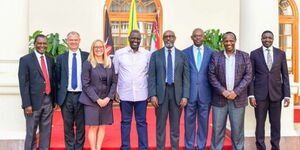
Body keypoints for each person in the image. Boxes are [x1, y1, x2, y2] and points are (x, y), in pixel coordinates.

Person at [208, 32, 252, 150]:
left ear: (235, 41)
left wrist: (235, 92)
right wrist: (223, 91)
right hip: (219, 100)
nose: (228, 43)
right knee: (217, 131)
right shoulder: (216, 56)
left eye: (231, 41)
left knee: (237, 131)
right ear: (223, 42)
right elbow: (211, 76)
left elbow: (248, 76)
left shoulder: (244, 56)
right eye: (226, 41)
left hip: (238, 99)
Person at [148, 30, 190, 150]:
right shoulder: (156, 55)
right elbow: (152, 76)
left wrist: (185, 96)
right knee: (160, 127)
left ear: (175, 38)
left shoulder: (182, 55)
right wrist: (153, 94)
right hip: (161, 94)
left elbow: (186, 77)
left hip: (177, 94)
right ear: (163, 39)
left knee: (175, 127)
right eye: (166, 37)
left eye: (171, 36)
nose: (168, 39)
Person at [248, 30, 290, 150]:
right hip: (259, 96)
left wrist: (287, 95)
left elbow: (285, 75)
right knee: (260, 125)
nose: (267, 40)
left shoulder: (281, 54)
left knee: (276, 125)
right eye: (265, 38)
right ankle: (260, 147)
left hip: (276, 95)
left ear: (273, 39)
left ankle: (275, 147)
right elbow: (251, 76)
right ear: (261, 39)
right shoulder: (254, 54)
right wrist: (251, 95)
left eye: (270, 38)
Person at [113, 30, 150, 150]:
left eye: (138, 39)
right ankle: (125, 147)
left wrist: (150, 92)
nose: (135, 41)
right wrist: (115, 91)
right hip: (125, 94)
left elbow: (150, 74)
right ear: (129, 38)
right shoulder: (119, 53)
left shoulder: (147, 54)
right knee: (125, 122)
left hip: (142, 94)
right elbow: (115, 74)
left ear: (141, 40)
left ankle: (143, 147)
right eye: (133, 38)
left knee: (141, 122)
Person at [18, 34, 55, 150]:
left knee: (46, 132)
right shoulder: (26, 60)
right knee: (31, 133)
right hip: (32, 103)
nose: (42, 46)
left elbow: (51, 79)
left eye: (44, 43)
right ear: (34, 44)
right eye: (39, 43)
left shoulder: (50, 59)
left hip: (48, 100)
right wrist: (26, 104)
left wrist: (54, 101)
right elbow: (24, 84)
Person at [79, 40, 116, 150]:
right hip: (91, 101)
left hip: (106, 100)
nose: (98, 49)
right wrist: (97, 99)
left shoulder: (109, 63)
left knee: (102, 126)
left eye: (100, 47)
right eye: (96, 47)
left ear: (104, 49)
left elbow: (114, 81)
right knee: (93, 126)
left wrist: (109, 97)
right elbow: (85, 84)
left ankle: (98, 148)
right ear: (92, 49)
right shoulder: (87, 63)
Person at [56, 31, 89, 150]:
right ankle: (70, 148)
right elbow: (57, 78)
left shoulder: (87, 56)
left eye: (76, 40)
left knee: (81, 125)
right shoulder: (61, 58)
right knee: (67, 126)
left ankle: (79, 148)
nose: (73, 42)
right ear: (67, 41)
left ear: (79, 41)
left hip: (82, 96)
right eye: (71, 40)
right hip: (66, 96)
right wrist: (57, 98)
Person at [182, 28, 214, 150]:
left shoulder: (212, 53)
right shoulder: (184, 53)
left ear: (204, 37)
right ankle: (189, 146)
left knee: (203, 123)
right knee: (188, 123)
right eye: (195, 36)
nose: (198, 38)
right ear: (192, 37)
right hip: (190, 94)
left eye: (200, 36)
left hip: (206, 94)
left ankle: (201, 146)